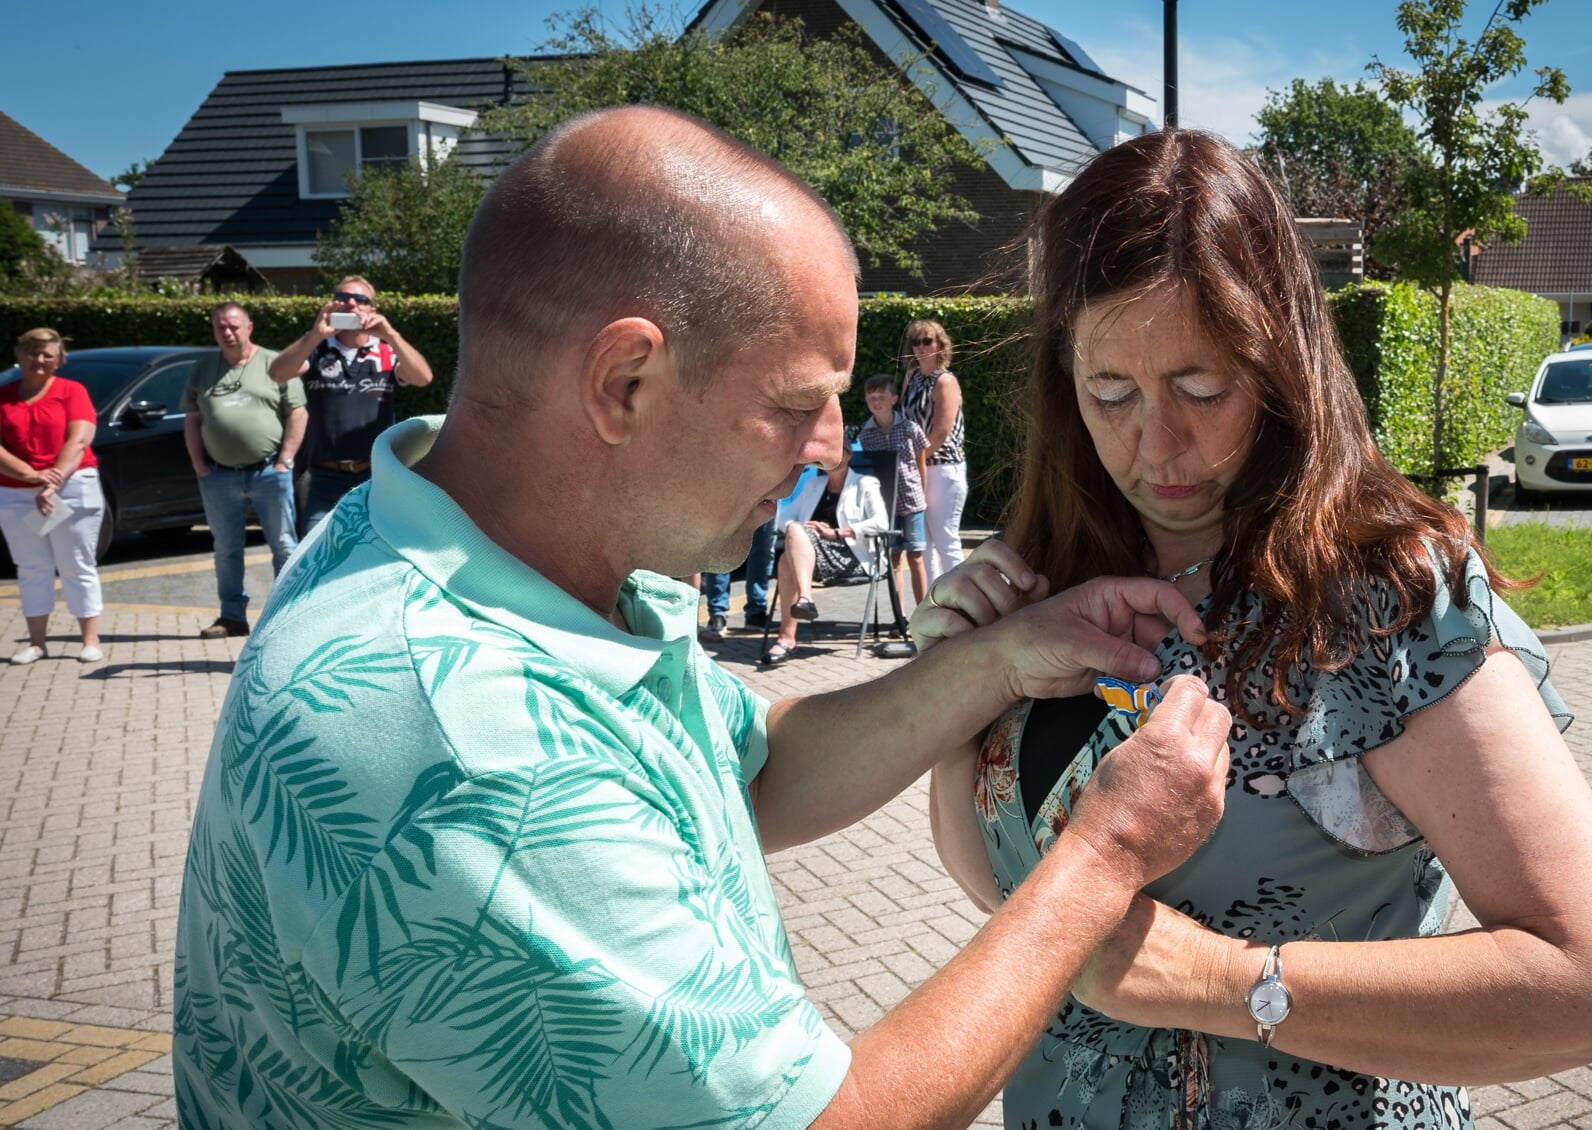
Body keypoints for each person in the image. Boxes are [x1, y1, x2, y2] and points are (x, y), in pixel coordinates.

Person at [173, 105, 1234, 1130]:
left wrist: (1000, 657)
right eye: (793, 402)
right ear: (624, 382)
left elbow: (750, 765)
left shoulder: (480, 531)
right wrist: (1106, 850)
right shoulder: (474, 742)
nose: (827, 445)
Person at [917, 129, 1592, 1129]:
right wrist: (955, 692)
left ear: (1279, 365)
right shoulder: (1056, 583)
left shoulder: (1379, 598)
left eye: (1200, 386)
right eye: (1111, 391)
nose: (1155, 442)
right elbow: (1000, 880)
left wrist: (1221, 979)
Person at [267, 274, 433, 534]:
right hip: (325, 478)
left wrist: (391, 335)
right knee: (318, 552)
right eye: (343, 298)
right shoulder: (318, 349)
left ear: (372, 309)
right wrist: (314, 335)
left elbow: (422, 378)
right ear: (333, 305)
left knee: (379, 549)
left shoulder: (386, 351)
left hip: (376, 476)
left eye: (360, 299)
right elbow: (277, 373)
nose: (351, 304)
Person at [182, 302, 307, 639]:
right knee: (225, 548)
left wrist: (286, 460)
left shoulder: (274, 363)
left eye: (234, 326)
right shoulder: (203, 368)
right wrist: (198, 464)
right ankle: (232, 617)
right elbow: (192, 419)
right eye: (221, 326)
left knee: (283, 545)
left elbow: (298, 412)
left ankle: (287, 616)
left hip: (270, 471)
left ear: (249, 327)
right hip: (219, 475)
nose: (228, 332)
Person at [0, 328, 106, 665]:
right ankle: (36, 643)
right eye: (32, 353)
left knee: (76, 563)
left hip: (71, 486)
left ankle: (90, 640)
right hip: (16, 491)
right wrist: (30, 476)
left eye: (48, 354)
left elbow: (79, 440)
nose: (40, 360)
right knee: (32, 568)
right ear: (19, 355)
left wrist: (51, 483)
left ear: (59, 359)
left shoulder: (72, 391)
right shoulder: (3, 396)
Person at [761, 459, 887, 664]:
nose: (833, 461)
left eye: (839, 455)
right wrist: (809, 528)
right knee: (791, 540)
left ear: (847, 455)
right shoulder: (813, 485)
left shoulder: (865, 483)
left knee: (786, 559)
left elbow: (881, 523)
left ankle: (787, 637)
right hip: (812, 557)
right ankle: (804, 602)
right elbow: (784, 517)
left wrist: (836, 533)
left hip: (851, 557)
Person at [900, 318, 967, 581]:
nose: (921, 347)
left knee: (945, 541)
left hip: (943, 468)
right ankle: (933, 607)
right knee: (923, 543)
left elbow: (940, 432)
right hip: (917, 468)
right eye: (916, 342)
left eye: (927, 340)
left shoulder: (945, 381)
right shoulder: (911, 377)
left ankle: (963, 607)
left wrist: (915, 460)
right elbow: (905, 422)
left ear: (940, 345)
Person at [856, 373, 930, 608]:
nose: (875, 402)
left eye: (881, 396)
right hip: (885, 504)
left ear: (894, 398)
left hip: (911, 500)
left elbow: (921, 461)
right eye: (871, 397)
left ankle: (923, 611)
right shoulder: (865, 434)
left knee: (916, 556)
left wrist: (923, 492)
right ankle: (900, 616)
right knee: (893, 559)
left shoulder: (909, 428)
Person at [697, 520, 774, 642]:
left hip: (766, 501)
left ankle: (756, 615)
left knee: (763, 549)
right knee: (721, 544)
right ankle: (717, 614)